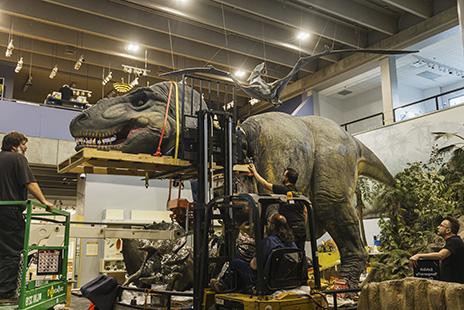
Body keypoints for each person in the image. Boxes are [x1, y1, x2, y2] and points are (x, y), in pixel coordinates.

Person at [0, 132, 54, 300]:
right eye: (23, 143)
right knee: (12, 252)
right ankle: (5, 294)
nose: (26, 147)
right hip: (9, 212)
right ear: (15, 145)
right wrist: (44, 201)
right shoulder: (18, 159)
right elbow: (29, 182)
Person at [210, 213, 297, 293]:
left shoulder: (268, 242)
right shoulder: (291, 242)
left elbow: (254, 266)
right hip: (283, 280)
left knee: (235, 262)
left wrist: (251, 259)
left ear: (272, 226)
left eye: (268, 223)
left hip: (263, 281)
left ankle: (224, 286)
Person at [248, 164, 307, 250]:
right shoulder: (299, 194)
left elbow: (265, 184)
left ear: (286, 178)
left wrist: (254, 172)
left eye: (284, 176)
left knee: (287, 254)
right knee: (300, 253)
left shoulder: (284, 190)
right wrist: (302, 225)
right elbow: (305, 211)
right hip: (301, 230)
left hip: (290, 229)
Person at [409, 216, 464, 283]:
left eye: (441, 225)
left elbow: (440, 255)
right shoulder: (452, 241)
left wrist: (418, 255)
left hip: (456, 286)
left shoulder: (455, 241)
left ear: (448, 230)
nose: (438, 227)